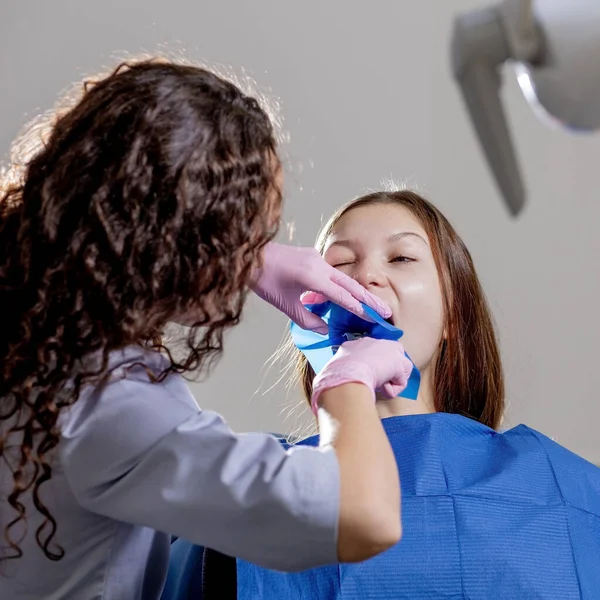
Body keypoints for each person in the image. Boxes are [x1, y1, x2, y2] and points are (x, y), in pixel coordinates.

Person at [0, 60, 415, 600]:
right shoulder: (113, 407)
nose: (366, 277)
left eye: (404, 257)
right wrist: (346, 380)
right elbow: (365, 516)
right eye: (247, 233)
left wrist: (246, 259)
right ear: (182, 240)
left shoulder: (28, 314)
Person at [168, 189, 600, 599]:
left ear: (453, 313)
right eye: (339, 263)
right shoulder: (246, 490)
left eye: (402, 257)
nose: (366, 276)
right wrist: (242, 260)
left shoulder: (569, 488)